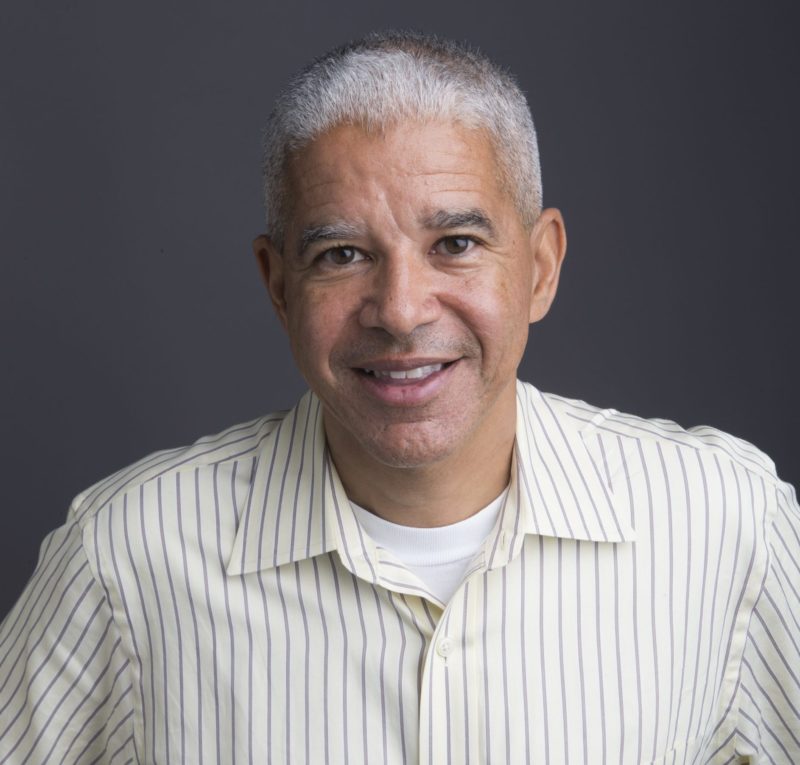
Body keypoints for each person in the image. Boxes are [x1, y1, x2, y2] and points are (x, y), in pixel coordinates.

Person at [1, 31, 798, 765]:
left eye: (455, 244)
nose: (403, 308)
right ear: (279, 286)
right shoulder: (127, 559)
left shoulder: (727, 527)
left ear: (542, 266)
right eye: (343, 254)